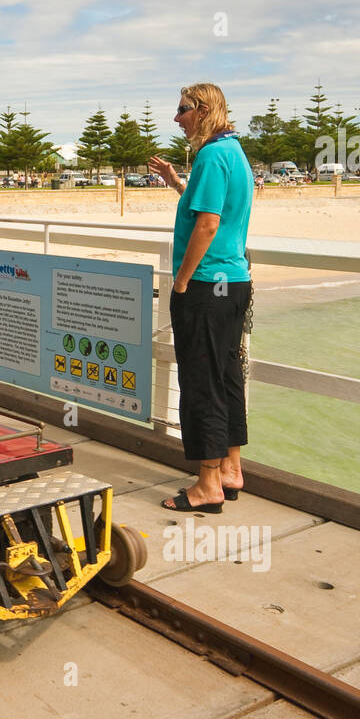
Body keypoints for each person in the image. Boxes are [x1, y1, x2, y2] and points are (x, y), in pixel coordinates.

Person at [147, 83, 253, 513]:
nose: (177, 119)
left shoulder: (211, 154)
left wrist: (181, 282)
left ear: (203, 109)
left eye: (182, 110)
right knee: (227, 375)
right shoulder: (234, 152)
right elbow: (214, 210)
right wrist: (176, 183)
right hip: (234, 283)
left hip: (207, 286)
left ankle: (207, 484)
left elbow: (207, 225)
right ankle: (230, 468)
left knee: (200, 381)